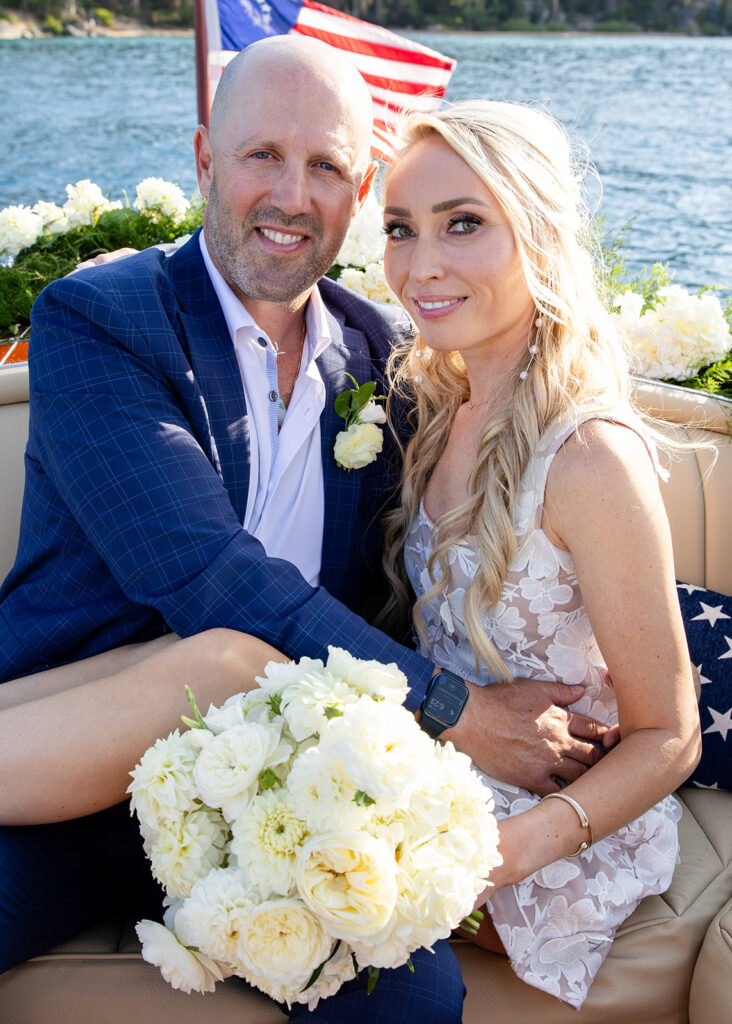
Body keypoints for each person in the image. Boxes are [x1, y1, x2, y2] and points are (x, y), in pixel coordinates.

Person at [0, 35, 612, 1020]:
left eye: (325, 165)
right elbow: (202, 572)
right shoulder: (103, 319)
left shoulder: (386, 357)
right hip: (73, 771)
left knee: (413, 1000)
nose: (292, 194)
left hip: (284, 798)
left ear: (359, 189)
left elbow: (507, 471)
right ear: (206, 156)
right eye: (261, 156)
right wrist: (456, 710)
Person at [377, 99, 701, 1008]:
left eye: (464, 225)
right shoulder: (433, 407)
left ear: (542, 234)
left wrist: (498, 856)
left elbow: (669, 735)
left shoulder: (588, 455)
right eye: (401, 230)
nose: (420, 266)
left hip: (546, 831)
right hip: (435, 763)